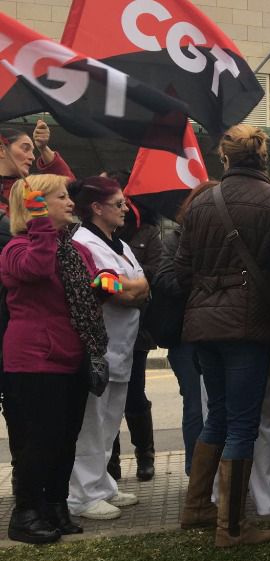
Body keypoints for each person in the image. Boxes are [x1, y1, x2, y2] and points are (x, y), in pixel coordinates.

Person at [176, 125, 270, 547]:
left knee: (219, 415)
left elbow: (181, 270)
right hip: (248, 325)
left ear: (224, 158)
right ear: (262, 158)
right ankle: (233, 527)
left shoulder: (201, 201)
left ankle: (197, 506)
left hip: (203, 323)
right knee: (244, 423)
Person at [1, 175, 109, 543]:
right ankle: (26, 514)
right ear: (36, 206)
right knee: (39, 441)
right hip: (34, 361)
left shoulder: (76, 250)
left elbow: (93, 287)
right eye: (60, 197)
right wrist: (39, 226)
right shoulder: (16, 248)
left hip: (72, 357)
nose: (70, 202)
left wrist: (111, 284)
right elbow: (35, 268)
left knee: (65, 439)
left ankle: (56, 506)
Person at [67, 176, 150, 520]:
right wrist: (131, 288)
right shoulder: (83, 243)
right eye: (118, 204)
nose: (125, 210)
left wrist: (131, 287)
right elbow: (114, 288)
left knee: (110, 421)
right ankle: (81, 496)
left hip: (123, 347)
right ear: (96, 208)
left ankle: (102, 485)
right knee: (92, 423)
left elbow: (143, 286)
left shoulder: (120, 245)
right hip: (99, 347)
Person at [152, 181, 217, 477]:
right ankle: (197, 474)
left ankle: (220, 473)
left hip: (218, 330)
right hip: (185, 335)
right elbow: (166, 280)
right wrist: (205, 279)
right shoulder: (175, 240)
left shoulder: (225, 239)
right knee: (195, 405)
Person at [107, 191, 163, 483]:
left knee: (134, 395)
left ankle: (145, 455)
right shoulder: (94, 237)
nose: (122, 208)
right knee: (105, 397)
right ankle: (110, 460)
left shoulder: (147, 234)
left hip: (137, 328)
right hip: (105, 329)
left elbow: (154, 271)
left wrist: (131, 284)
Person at [1, 121, 75, 204]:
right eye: (25, 149)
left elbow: (71, 189)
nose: (32, 157)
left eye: (32, 151)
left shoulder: (32, 191)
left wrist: (43, 148)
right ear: (1, 150)